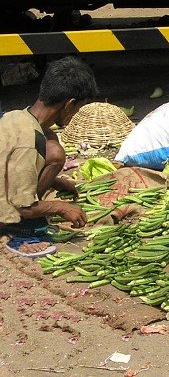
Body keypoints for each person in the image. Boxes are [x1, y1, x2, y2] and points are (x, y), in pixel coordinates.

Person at [0, 56, 98, 255]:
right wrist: (59, 207)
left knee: (54, 152)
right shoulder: (28, 142)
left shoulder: (18, 116)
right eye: (78, 108)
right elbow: (18, 206)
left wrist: (56, 182)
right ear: (69, 104)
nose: (75, 114)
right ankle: (14, 231)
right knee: (21, 208)